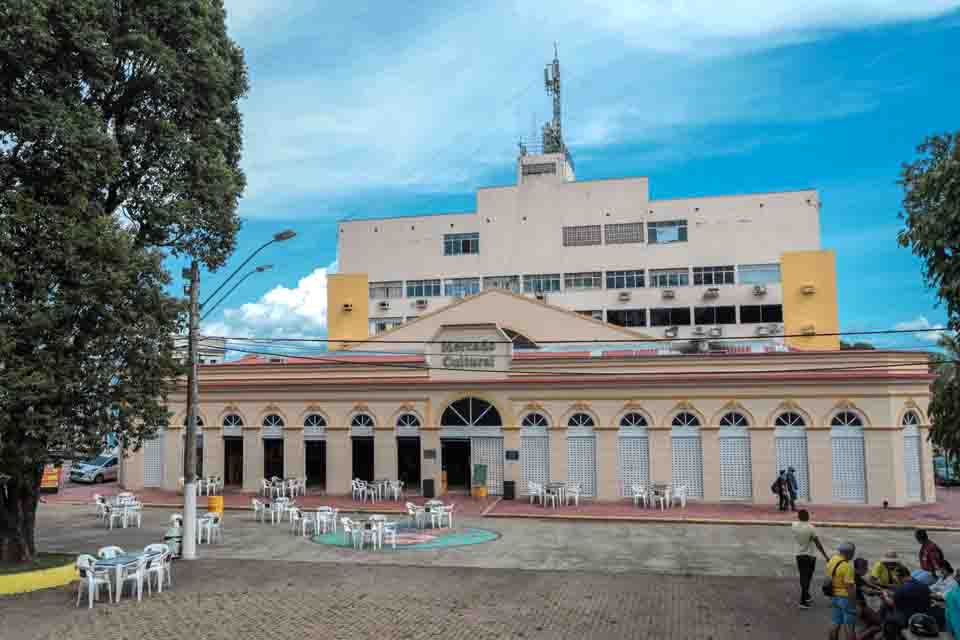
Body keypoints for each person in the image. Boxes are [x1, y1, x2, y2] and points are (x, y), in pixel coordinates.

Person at [881, 569, 934, 639]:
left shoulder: (901, 588)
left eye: (896, 578)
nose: (896, 580)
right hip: (923, 617)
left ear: (899, 577)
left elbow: (892, 603)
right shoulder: (924, 586)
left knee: (885, 610)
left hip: (907, 619)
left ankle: (887, 634)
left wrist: (885, 595)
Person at [793, 509, 829, 608]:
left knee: (803, 576)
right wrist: (825, 556)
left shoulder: (794, 526)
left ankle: (807, 595)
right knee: (807, 578)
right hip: (810, 556)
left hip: (799, 554)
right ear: (807, 517)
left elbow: (796, 521)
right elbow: (818, 543)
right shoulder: (811, 528)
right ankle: (803, 601)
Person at [827, 542, 858, 640]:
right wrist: (854, 603)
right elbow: (849, 587)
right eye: (853, 553)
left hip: (835, 595)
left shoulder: (832, 560)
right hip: (845, 598)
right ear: (849, 553)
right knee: (849, 625)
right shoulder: (847, 566)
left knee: (835, 622)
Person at [853, 558, 884, 640]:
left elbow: (867, 583)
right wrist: (881, 593)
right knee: (881, 623)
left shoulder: (855, 575)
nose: (867, 570)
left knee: (868, 623)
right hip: (859, 606)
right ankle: (868, 632)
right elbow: (868, 591)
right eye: (866, 568)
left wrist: (878, 587)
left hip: (857, 605)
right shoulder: (855, 578)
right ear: (860, 568)